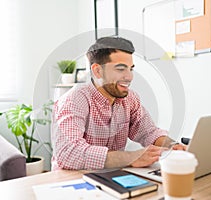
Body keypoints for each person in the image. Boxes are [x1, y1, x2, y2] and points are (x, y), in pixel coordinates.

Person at [51, 36, 185, 170]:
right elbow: (68, 153)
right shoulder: (75, 99)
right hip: (71, 180)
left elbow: (149, 132)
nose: (129, 77)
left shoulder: (130, 99)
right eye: (121, 69)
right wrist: (129, 157)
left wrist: (173, 146)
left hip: (111, 177)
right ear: (97, 71)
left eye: (130, 69)